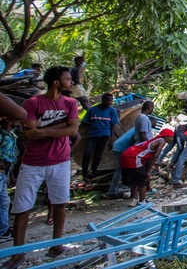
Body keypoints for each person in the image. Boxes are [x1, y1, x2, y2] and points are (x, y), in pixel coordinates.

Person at [7, 66, 79, 266]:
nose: (71, 82)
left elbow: (72, 129)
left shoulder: (70, 103)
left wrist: (42, 132)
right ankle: (18, 254)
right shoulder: (33, 103)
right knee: (22, 208)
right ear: (57, 82)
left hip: (61, 161)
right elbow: (29, 131)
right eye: (67, 79)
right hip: (33, 163)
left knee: (60, 204)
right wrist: (60, 127)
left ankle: (56, 244)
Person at [120, 129, 173, 206]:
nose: (172, 139)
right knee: (143, 180)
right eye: (171, 137)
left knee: (134, 179)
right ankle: (142, 201)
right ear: (166, 137)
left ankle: (133, 199)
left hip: (126, 155)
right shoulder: (162, 141)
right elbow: (155, 156)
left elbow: (147, 156)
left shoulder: (155, 140)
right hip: (134, 158)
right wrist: (149, 171)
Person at [80, 93, 119, 190]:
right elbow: (85, 123)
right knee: (87, 153)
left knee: (98, 155)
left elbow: (113, 125)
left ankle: (92, 175)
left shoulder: (112, 111)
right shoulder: (92, 110)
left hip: (104, 135)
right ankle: (84, 174)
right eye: (108, 100)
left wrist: (112, 139)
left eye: (111, 101)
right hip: (92, 135)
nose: (109, 103)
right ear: (103, 100)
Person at [0, 118, 17, 243]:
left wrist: (11, 175)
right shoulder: (1, 134)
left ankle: (3, 230)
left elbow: (9, 157)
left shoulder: (11, 135)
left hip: (4, 173)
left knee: (4, 201)